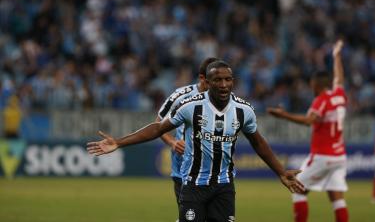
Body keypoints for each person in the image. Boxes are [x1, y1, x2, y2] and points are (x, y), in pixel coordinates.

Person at [87, 60, 305, 222]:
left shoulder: (244, 111)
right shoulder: (191, 106)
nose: (223, 84)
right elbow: (157, 128)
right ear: (207, 82)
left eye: (227, 79)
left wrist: (280, 171)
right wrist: (120, 142)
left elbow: (258, 142)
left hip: (224, 185)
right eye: (217, 80)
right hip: (192, 184)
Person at [267, 40, 349, 222]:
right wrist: (336, 55)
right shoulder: (339, 96)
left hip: (323, 156)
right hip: (339, 156)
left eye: (312, 83)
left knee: (297, 189)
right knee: (337, 199)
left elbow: (308, 121)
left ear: (316, 84)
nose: (311, 86)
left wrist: (284, 115)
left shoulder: (321, 100)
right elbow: (339, 78)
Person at [156, 57, 219, 213]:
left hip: (215, 172)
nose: (218, 85)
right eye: (213, 81)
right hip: (184, 170)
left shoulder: (223, 98)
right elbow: (158, 125)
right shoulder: (181, 96)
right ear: (202, 78)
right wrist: (172, 142)